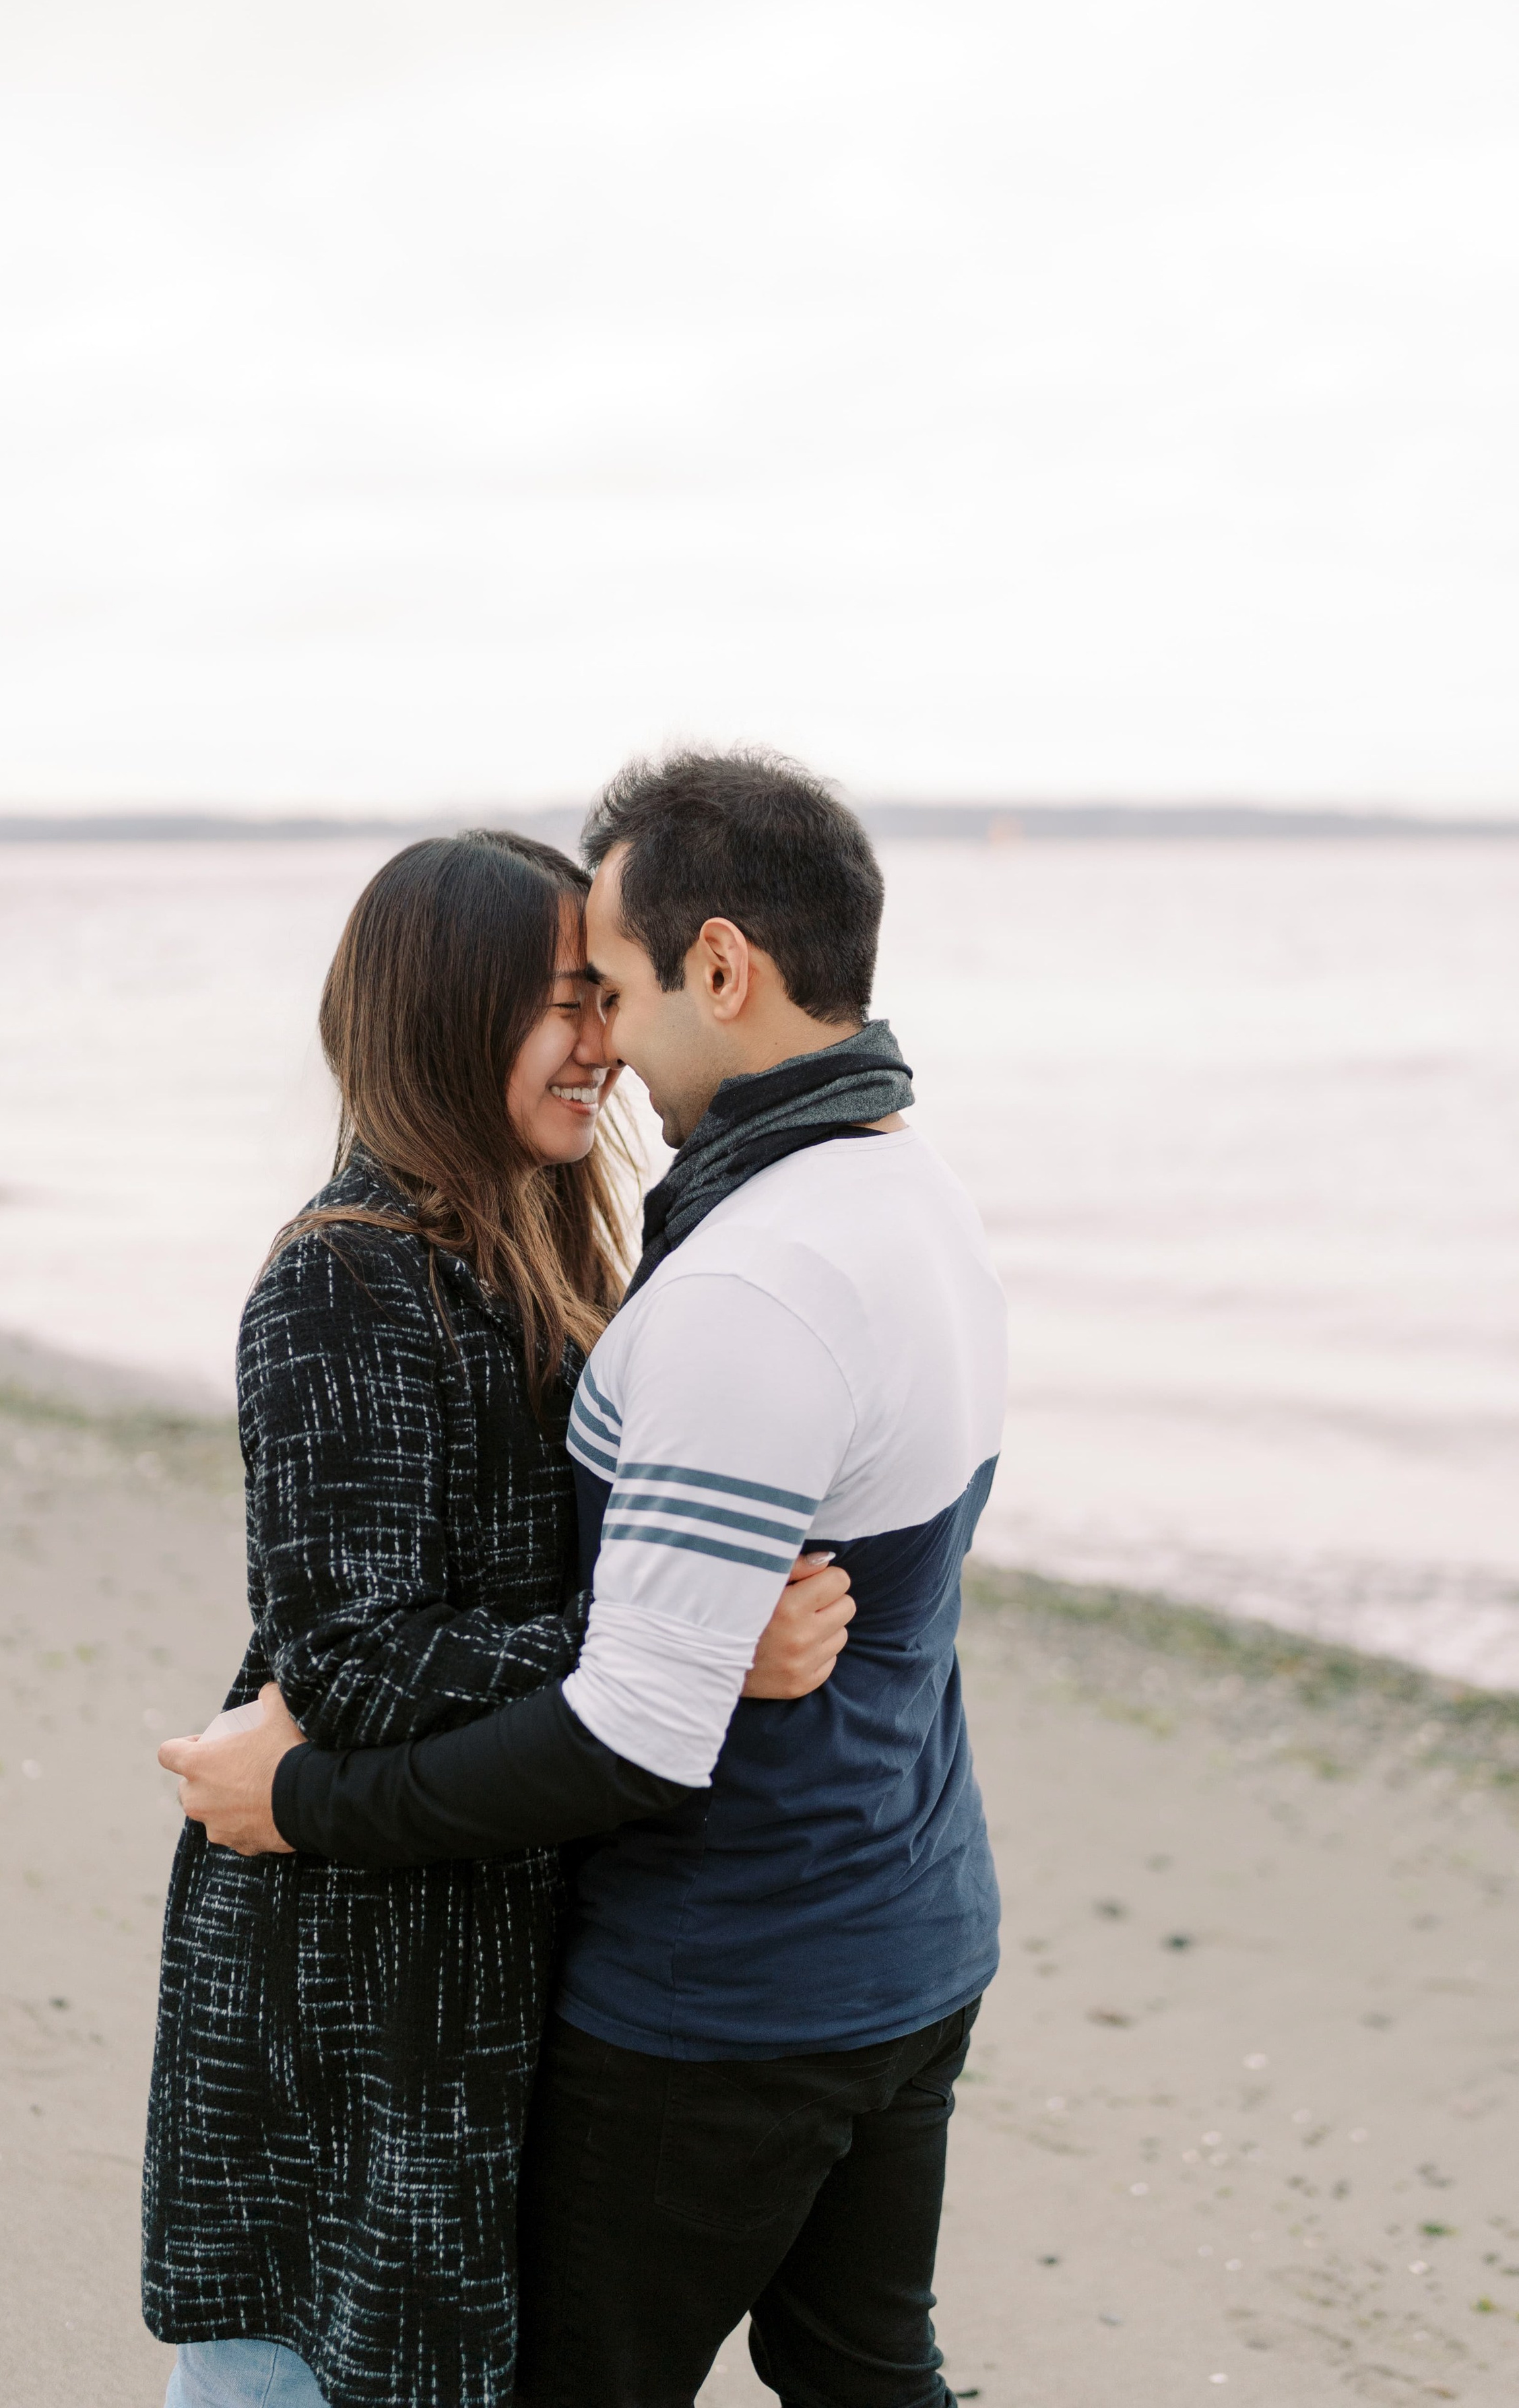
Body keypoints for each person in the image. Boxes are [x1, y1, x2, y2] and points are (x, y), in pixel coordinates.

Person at [168, 751, 1008, 2408]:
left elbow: (621, 1634)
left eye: (603, 993)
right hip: (374, 1929)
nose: (603, 1045)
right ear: (442, 1020)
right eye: (562, 1004)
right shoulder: (344, 1286)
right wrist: (685, 1644)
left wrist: (676, 1645)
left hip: (527, 1894)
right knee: (299, 2352)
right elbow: (344, 1657)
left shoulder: (586, 1243)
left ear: (719, 969)